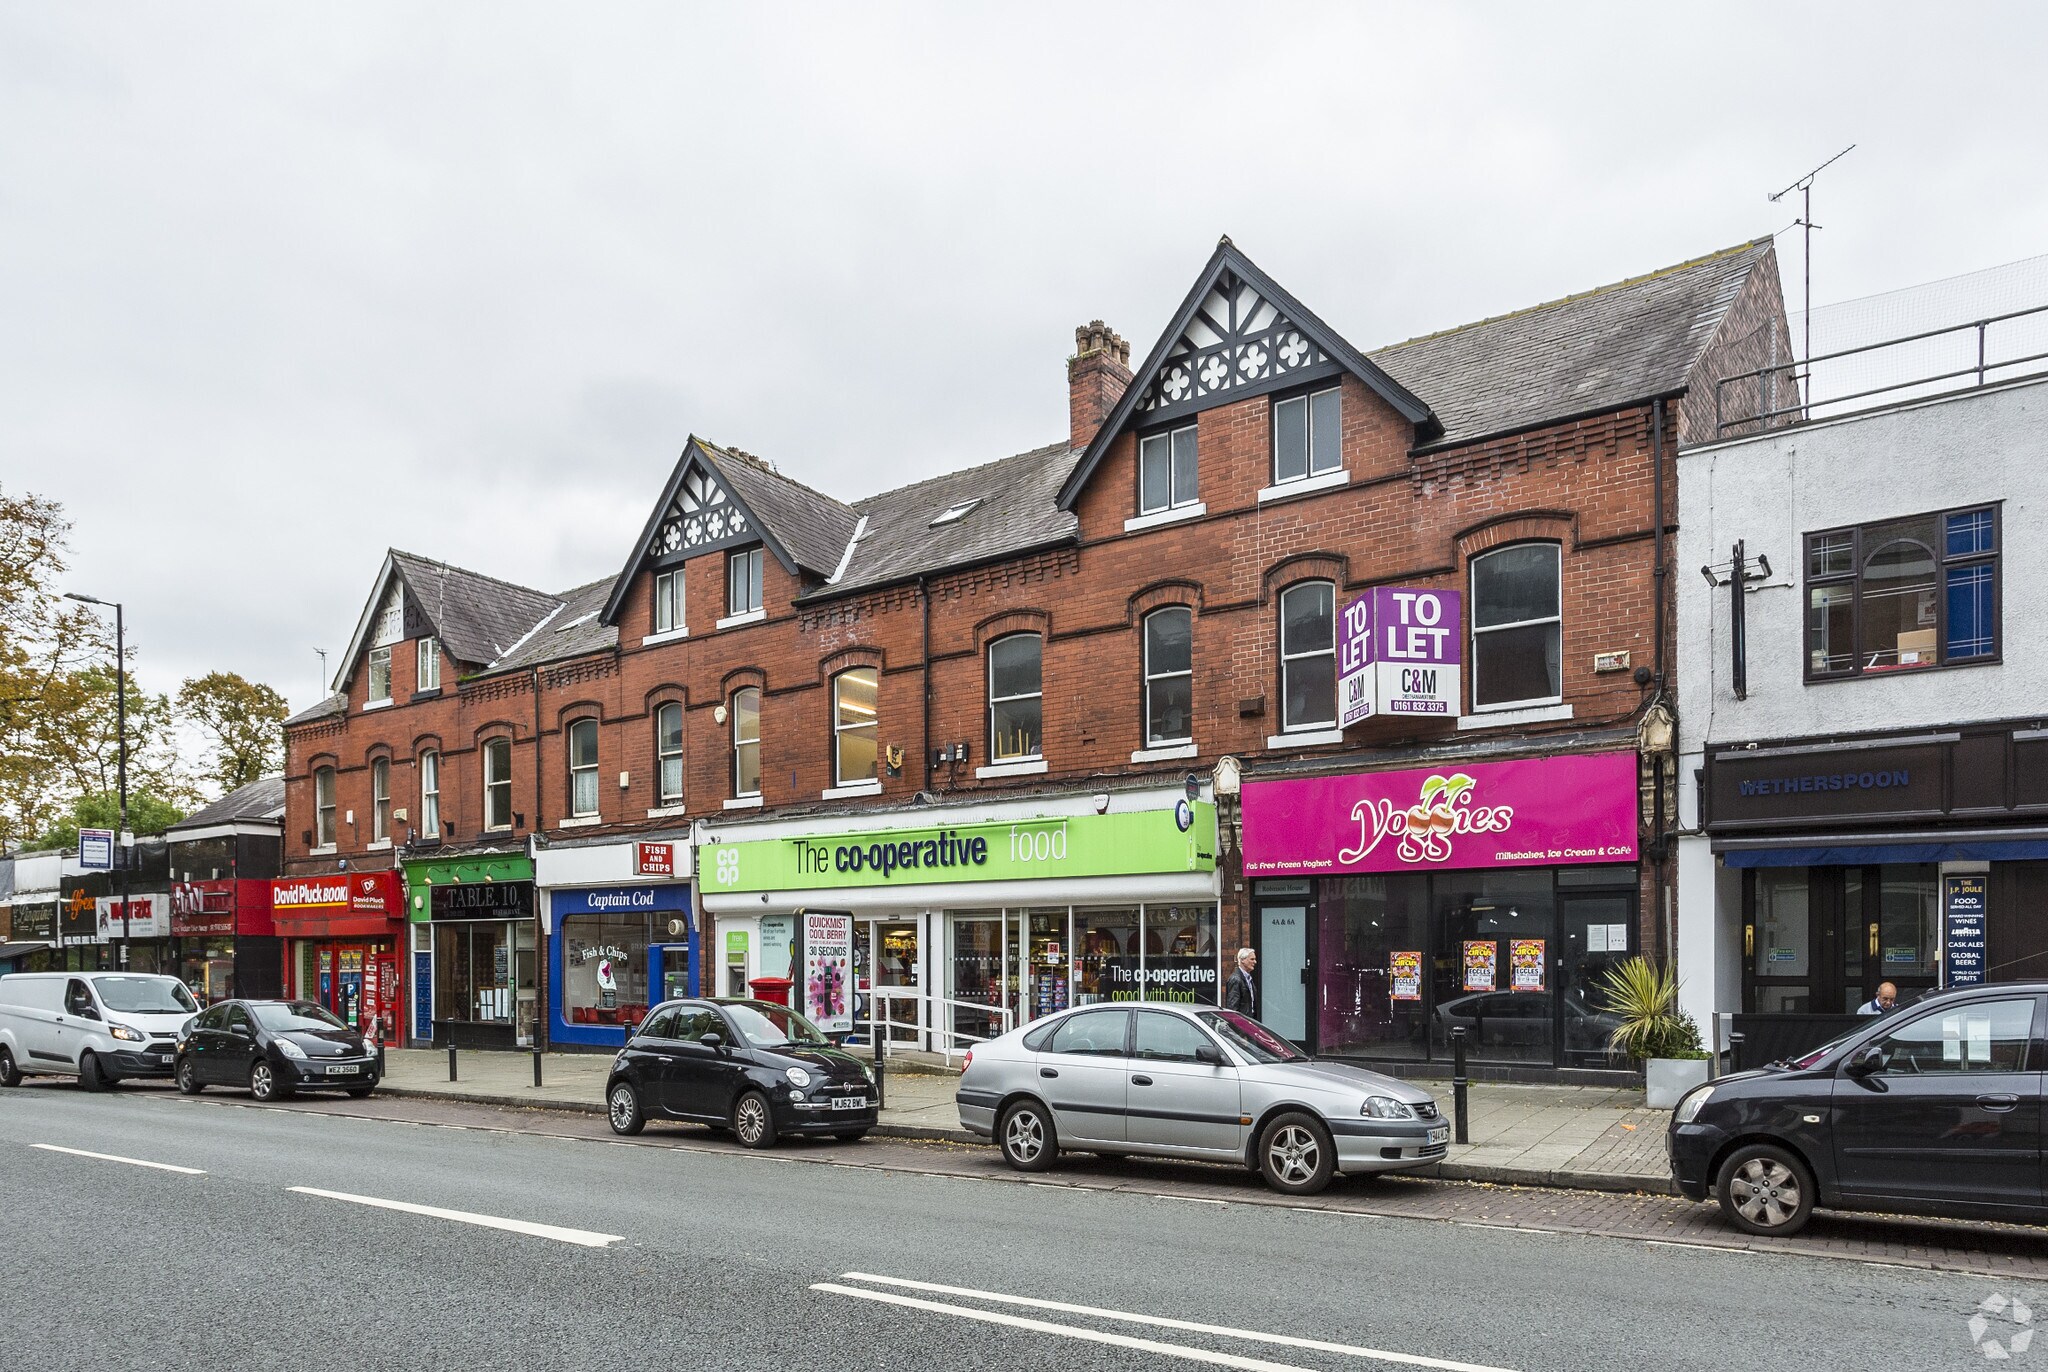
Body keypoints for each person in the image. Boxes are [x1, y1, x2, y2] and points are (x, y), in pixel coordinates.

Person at [1224, 947, 1258, 1016]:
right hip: (1242, 1022)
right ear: (1243, 960)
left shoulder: (1248, 979)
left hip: (1249, 1020)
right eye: (1252, 959)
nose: (1255, 962)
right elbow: (1232, 1007)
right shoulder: (1236, 979)